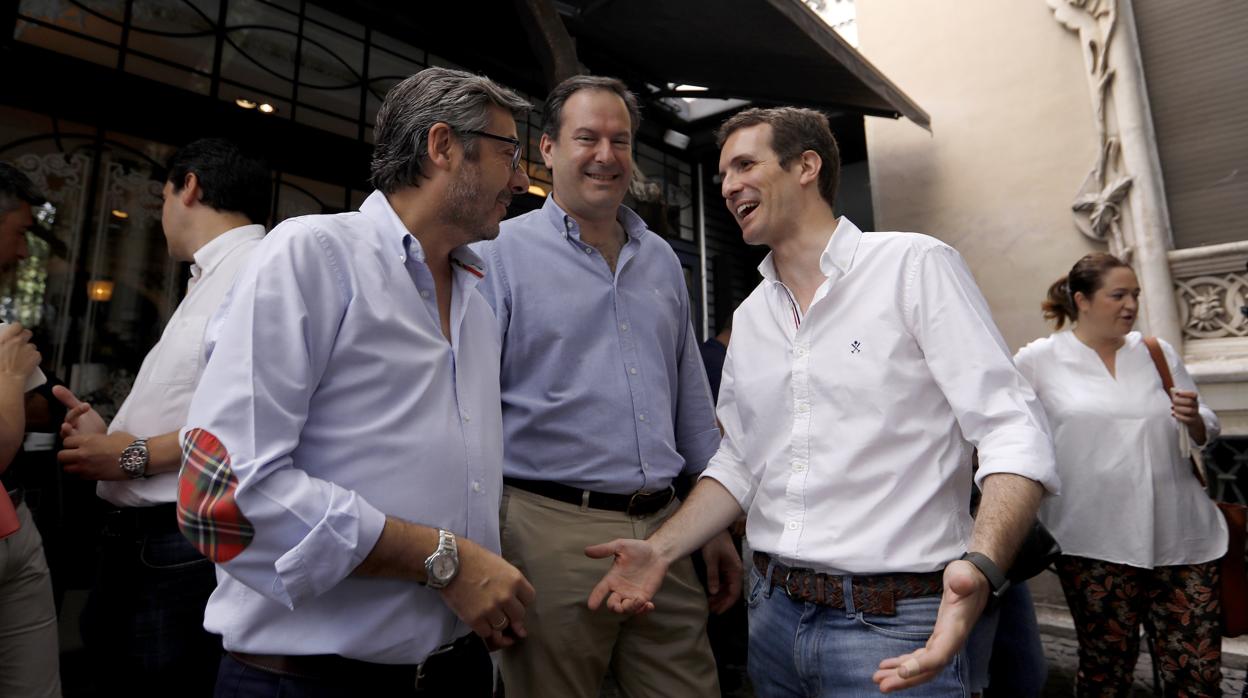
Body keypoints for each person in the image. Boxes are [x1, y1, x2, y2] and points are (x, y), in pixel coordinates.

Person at [586, 106, 1059, 696]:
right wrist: (659, 550)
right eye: (723, 174)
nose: (728, 186)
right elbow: (740, 463)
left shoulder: (913, 266)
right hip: (772, 615)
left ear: (806, 166)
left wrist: (982, 565)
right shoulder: (751, 317)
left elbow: (1011, 427)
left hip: (898, 622)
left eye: (745, 165)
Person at [178, 67, 535, 697]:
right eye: (509, 153)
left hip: (454, 669)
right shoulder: (313, 254)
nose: (523, 179)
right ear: (443, 145)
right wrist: (443, 559)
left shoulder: (478, 300)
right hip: (307, 682)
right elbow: (221, 495)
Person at [473, 74, 735, 698]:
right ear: (547, 149)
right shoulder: (498, 254)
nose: (605, 155)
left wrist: (712, 524)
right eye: (586, 137)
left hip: (667, 530)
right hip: (547, 534)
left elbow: (690, 399)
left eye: (620, 141)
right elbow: (468, 407)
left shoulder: (661, 258)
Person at [50, 138, 268, 696]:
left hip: (180, 539)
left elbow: (252, 418)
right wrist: (109, 438)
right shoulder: (211, 275)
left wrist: (129, 456)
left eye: (163, 193)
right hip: (149, 538)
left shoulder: (258, 270)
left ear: (188, 186)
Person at [1014, 252, 1226, 695]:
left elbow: (1207, 424)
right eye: (1118, 295)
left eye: (1135, 295)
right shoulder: (1038, 360)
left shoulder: (1157, 352)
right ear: (1082, 300)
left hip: (1182, 535)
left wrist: (1193, 418)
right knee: (1106, 671)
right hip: (1093, 543)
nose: (1131, 305)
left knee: (1198, 674)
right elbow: (1012, 434)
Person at [0, 162, 59, 698]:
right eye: (19, 233)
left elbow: (44, 406)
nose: (23, 253)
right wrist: (10, 378)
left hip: (14, 520)